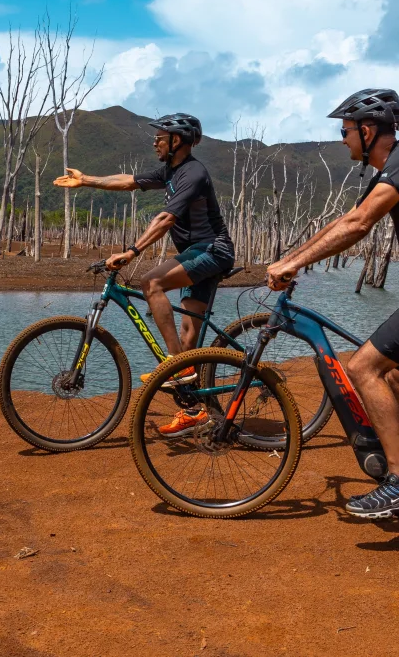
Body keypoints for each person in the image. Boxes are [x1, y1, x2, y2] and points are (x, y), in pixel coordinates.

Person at [53, 113, 235, 437]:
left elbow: (165, 220)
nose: (155, 142)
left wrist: (131, 252)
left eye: (160, 137)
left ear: (177, 141)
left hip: (211, 251)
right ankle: (194, 409)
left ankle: (175, 367)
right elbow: (130, 181)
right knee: (188, 338)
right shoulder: (171, 171)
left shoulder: (193, 173)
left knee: (150, 282)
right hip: (198, 254)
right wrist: (86, 179)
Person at [267, 88, 399, 519]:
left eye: (345, 131)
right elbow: (344, 221)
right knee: (393, 378)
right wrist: (292, 260)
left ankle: (397, 482)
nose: (343, 139)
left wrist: (295, 263)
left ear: (368, 130)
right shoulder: (387, 171)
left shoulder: (398, 169)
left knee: (363, 367)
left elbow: (360, 225)